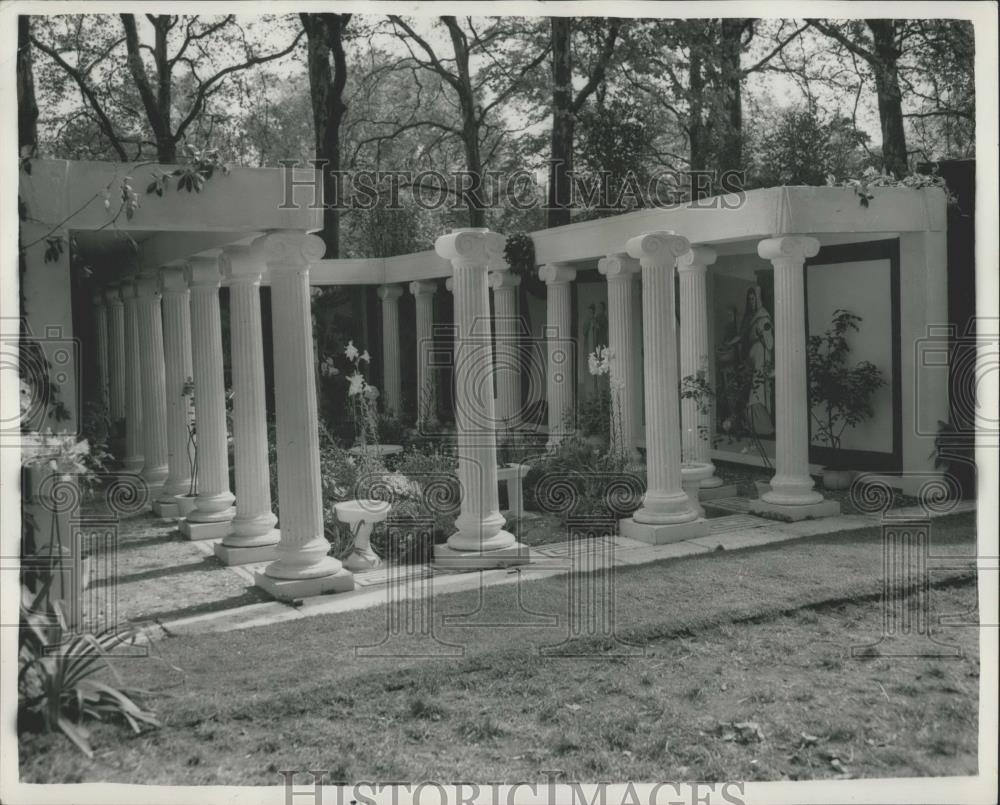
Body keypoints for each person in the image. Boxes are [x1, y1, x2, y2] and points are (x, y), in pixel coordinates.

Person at [740, 286, 775, 435]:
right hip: (752, 358)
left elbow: (770, 343)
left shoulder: (763, 316)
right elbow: (742, 336)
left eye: (753, 299)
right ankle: (752, 425)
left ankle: (763, 428)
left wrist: (763, 336)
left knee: (757, 390)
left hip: (761, 357)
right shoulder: (749, 317)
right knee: (749, 388)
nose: (751, 302)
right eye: (749, 300)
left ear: (758, 299)